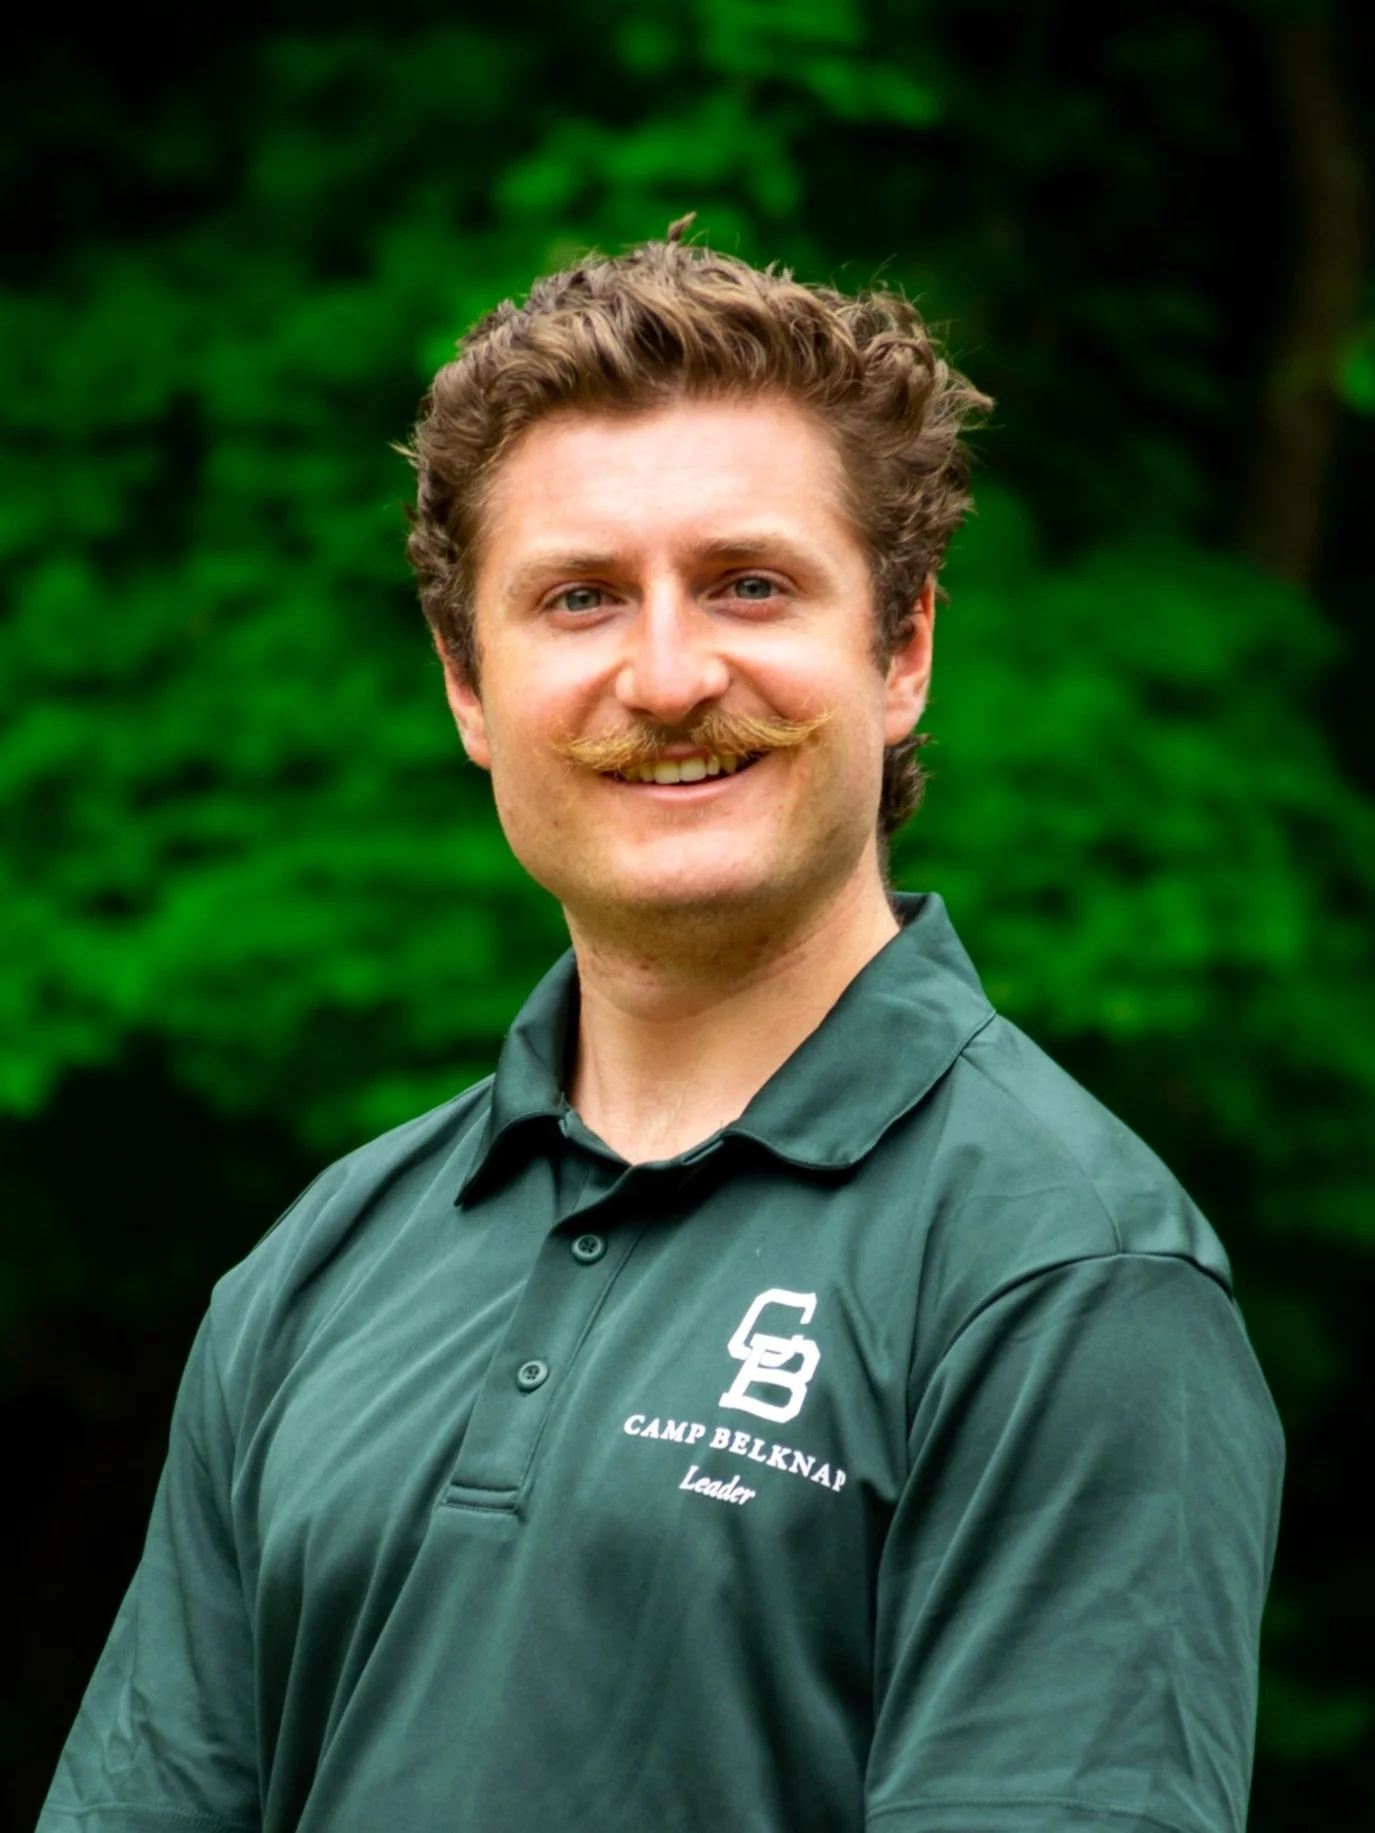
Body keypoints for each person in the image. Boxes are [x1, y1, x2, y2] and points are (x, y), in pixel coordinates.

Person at [40, 220, 1283, 1833]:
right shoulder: (313, 1273)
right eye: (577, 599)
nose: (669, 672)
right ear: (468, 689)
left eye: (748, 584)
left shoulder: (1065, 1276)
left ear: (899, 648)